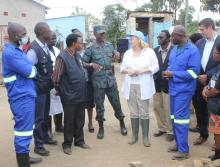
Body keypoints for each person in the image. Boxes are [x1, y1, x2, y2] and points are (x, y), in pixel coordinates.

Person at [2, 22, 42, 167]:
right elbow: (31, 71)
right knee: (23, 132)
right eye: (23, 34)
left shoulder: (17, 51)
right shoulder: (11, 53)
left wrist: (31, 69)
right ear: (14, 35)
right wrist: (33, 70)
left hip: (25, 95)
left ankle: (25, 156)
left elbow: (29, 69)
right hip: (21, 97)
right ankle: (23, 163)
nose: (26, 36)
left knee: (27, 128)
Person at [83, 25, 127, 139]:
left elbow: (116, 58)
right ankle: (101, 127)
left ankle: (122, 123)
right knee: (99, 105)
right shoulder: (90, 48)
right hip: (98, 80)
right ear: (95, 34)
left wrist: (117, 55)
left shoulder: (109, 46)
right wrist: (91, 64)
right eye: (100, 34)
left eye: (104, 33)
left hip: (110, 79)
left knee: (116, 103)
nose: (103, 35)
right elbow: (82, 62)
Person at [164, 25, 201, 160]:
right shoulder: (174, 49)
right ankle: (178, 144)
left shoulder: (192, 50)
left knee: (181, 119)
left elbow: (193, 72)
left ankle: (184, 150)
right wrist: (168, 72)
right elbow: (171, 65)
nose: (171, 38)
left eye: (173, 35)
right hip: (173, 89)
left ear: (180, 36)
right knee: (174, 118)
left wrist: (173, 74)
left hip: (184, 91)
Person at [52, 33, 90, 155]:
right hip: (69, 95)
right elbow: (55, 78)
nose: (82, 44)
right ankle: (67, 144)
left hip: (80, 93)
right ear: (74, 43)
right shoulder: (62, 57)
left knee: (80, 119)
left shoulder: (77, 55)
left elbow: (80, 70)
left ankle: (79, 140)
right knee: (69, 121)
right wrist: (62, 91)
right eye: (80, 42)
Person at [121, 31, 159, 147]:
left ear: (139, 40)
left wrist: (140, 71)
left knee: (144, 111)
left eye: (132, 38)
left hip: (144, 84)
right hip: (130, 84)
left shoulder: (149, 52)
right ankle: (134, 135)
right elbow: (122, 68)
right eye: (130, 38)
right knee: (133, 111)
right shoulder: (128, 53)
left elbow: (156, 66)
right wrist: (129, 71)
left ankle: (145, 137)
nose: (130, 40)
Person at [26, 22, 56, 156]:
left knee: (45, 116)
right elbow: (27, 70)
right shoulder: (33, 49)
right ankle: (38, 145)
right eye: (48, 31)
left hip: (46, 88)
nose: (50, 33)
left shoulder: (45, 46)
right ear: (42, 33)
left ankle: (45, 137)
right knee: (38, 118)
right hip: (38, 90)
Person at [193, 18, 220, 145]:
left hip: (215, 83)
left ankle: (217, 141)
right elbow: (196, 61)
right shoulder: (199, 42)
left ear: (210, 27)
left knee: (215, 112)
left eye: (202, 29)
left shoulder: (219, 41)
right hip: (199, 82)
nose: (201, 32)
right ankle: (203, 134)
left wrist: (207, 75)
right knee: (200, 108)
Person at [72, 28, 95, 133]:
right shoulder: (70, 53)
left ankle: (90, 122)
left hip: (88, 82)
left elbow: (92, 64)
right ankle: (78, 124)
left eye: (79, 37)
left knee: (89, 104)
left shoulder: (88, 51)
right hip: (76, 84)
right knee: (77, 105)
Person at [153, 30, 174, 141]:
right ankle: (162, 128)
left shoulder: (174, 50)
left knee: (168, 108)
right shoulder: (155, 50)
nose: (158, 39)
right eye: (158, 37)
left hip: (169, 85)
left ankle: (170, 131)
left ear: (168, 38)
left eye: (161, 37)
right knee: (157, 107)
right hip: (156, 84)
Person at [202, 41, 220, 161]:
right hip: (214, 106)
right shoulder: (218, 67)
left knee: (218, 132)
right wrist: (205, 88)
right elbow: (211, 82)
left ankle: (218, 154)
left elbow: (217, 91)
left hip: (218, 107)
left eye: (216, 52)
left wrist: (206, 93)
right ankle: (218, 152)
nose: (213, 54)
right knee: (216, 131)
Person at [47, 31, 64, 134]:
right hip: (48, 83)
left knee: (59, 104)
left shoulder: (57, 50)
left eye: (55, 38)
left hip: (58, 82)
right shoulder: (44, 50)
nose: (54, 40)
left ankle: (58, 125)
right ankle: (48, 129)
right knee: (49, 107)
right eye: (51, 38)